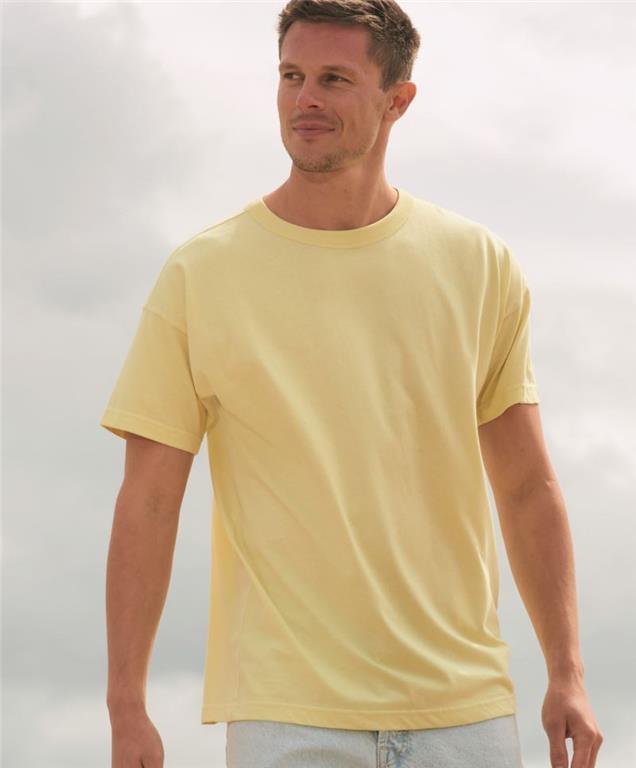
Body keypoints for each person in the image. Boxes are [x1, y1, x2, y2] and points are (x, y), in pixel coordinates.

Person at [101, 1, 604, 767]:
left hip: (463, 711)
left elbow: (527, 485)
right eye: (291, 76)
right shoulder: (202, 275)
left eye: (334, 79)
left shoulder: (477, 264)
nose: (305, 99)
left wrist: (567, 672)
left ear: (398, 100)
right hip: (287, 714)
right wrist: (126, 705)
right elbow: (148, 499)